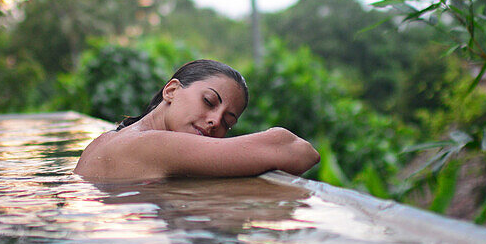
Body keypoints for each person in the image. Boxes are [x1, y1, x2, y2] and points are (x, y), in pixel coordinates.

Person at [74, 59, 319, 180]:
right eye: (209, 102)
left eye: (228, 122)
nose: (215, 121)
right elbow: (295, 151)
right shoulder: (153, 145)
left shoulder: (108, 139)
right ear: (171, 91)